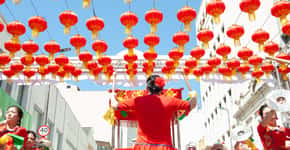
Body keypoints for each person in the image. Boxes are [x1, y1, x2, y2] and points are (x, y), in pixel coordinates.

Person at [111, 75, 197, 150]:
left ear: (147, 88)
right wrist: (193, 94)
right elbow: (192, 104)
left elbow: (114, 105)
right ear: (162, 89)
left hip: (142, 146)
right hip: (164, 146)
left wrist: (112, 95)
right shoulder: (170, 101)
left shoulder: (138, 101)